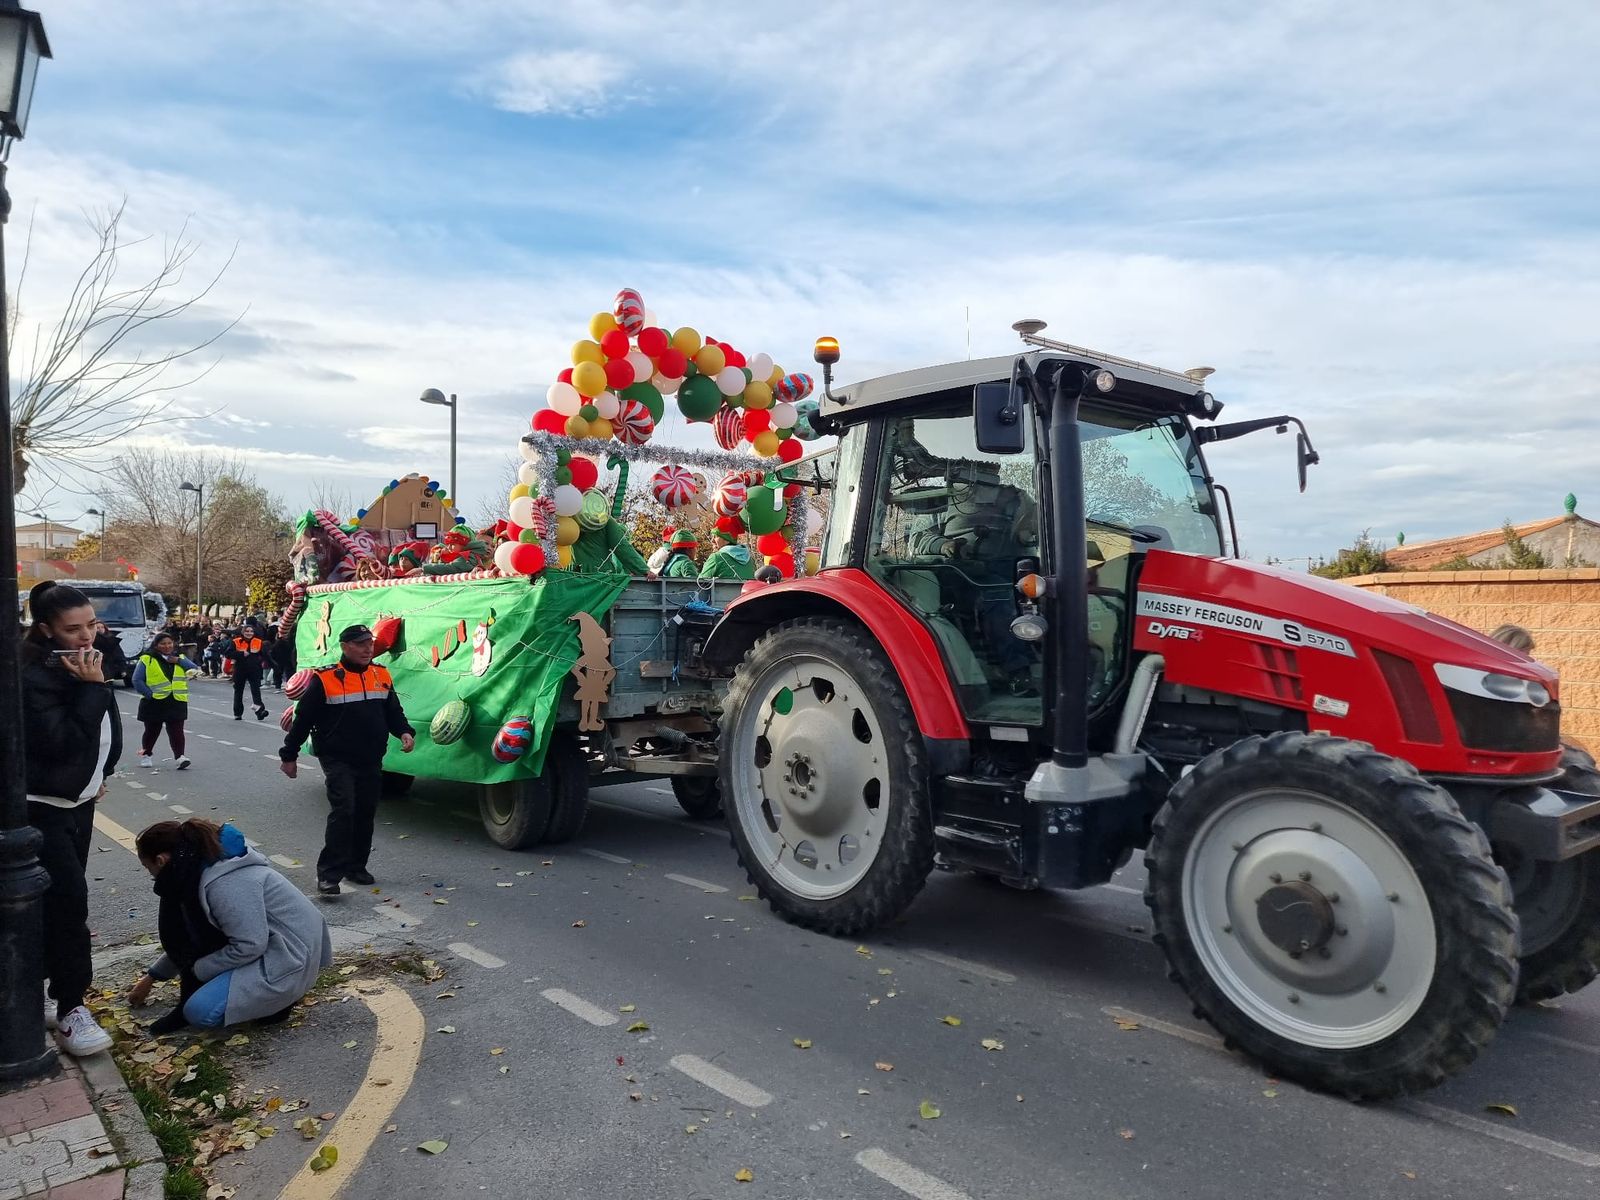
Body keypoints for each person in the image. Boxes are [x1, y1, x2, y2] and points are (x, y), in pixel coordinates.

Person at [21, 582, 119, 1056]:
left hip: (78, 805)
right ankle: (71, 1009)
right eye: (72, 629)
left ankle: (48, 991)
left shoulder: (83, 664)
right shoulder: (38, 676)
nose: (86, 637)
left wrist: (103, 773)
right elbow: (61, 743)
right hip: (42, 808)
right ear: (45, 630)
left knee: (61, 902)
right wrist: (92, 689)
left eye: (91, 625)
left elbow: (103, 734)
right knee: (67, 904)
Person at [127, 819, 332, 1031]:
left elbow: (249, 945)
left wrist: (199, 969)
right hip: (280, 948)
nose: (150, 875)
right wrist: (152, 977)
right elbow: (190, 940)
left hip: (291, 960)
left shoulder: (223, 884)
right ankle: (266, 996)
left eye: (147, 867)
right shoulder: (199, 868)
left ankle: (277, 1003)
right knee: (206, 978)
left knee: (199, 1012)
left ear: (160, 860)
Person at [280, 624, 416, 895]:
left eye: (370, 643)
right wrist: (289, 756)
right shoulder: (325, 679)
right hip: (337, 757)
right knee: (344, 810)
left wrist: (404, 732)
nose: (368, 649)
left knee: (365, 812)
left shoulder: (381, 674)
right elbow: (303, 720)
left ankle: (356, 867)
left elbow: (392, 711)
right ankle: (329, 875)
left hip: (371, 758)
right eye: (360, 644)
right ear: (345, 647)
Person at [134, 632, 199, 770]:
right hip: (154, 701)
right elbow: (137, 680)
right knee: (152, 731)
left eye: (169, 643)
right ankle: (146, 755)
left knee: (177, 731)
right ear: (156, 645)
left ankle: (180, 757)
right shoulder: (147, 659)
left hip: (176, 700)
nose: (167, 646)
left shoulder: (179, 657)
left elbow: (194, 670)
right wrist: (149, 694)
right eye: (163, 644)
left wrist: (179, 661)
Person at [224, 622, 270, 721]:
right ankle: (238, 713)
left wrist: (274, 665)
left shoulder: (258, 641)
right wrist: (240, 654)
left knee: (256, 691)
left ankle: (260, 712)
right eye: (247, 631)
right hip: (240, 669)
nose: (249, 633)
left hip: (254, 670)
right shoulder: (236, 641)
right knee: (238, 691)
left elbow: (265, 655)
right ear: (243, 632)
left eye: (251, 631)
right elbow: (228, 654)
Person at [92, 620, 129, 686]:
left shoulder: (111, 640)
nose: (100, 629)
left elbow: (119, 655)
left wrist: (123, 669)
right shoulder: (91, 641)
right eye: (98, 628)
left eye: (102, 627)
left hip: (109, 668)